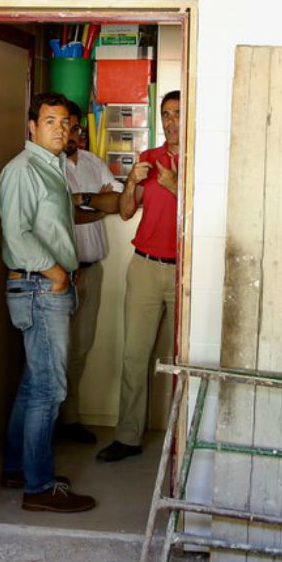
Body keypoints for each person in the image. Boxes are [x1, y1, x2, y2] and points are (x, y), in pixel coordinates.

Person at [0, 92, 97, 512]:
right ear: (32, 128)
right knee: (48, 388)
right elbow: (18, 234)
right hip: (40, 286)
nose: (59, 129)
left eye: (65, 123)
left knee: (33, 383)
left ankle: (18, 467)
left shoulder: (51, 168)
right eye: (50, 121)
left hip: (46, 286)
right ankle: (38, 488)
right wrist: (55, 272)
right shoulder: (23, 170)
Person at [98, 91, 181, 462]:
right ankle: (128, 437)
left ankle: (185, 440)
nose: (169, 121)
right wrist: (132, 180)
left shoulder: (201, 159)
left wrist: (175, 186)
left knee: (189, 358)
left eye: (177, 114)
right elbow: (126, 211)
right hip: (146, 267)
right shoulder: (148, 159)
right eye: (165, 114)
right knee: (134, 356)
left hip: (185, 273)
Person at [57, 98, 121, 444]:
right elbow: (67, 216)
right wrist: (95, 205)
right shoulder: (49, 168)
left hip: (91, 270)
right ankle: (48, 422)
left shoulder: (93, 163)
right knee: (56, 351)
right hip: (61, 273)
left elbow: (119, 203)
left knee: (81, 348)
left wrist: (84, 201)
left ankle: (68, 420)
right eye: (63, 126)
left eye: (75, 127)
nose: (70, 134)